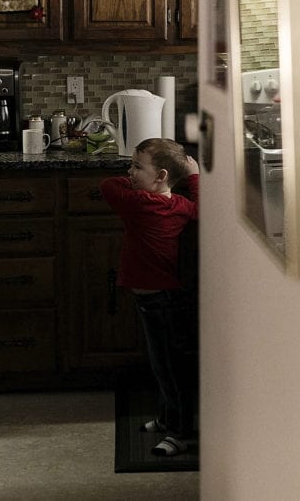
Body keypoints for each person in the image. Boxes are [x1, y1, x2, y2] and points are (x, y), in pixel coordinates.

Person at [101, 138, 200, 456]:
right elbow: (200, 209)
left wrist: (129, 180)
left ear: (160, 176)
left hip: (163, 302)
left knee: (170, 370)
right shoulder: (179, 206)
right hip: (162, 299)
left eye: (136, 166)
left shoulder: (137, 203)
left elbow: (107, 185)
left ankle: (181, 433)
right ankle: (167, 418)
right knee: (165, 367)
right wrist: (192, 176)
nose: (129, 172)